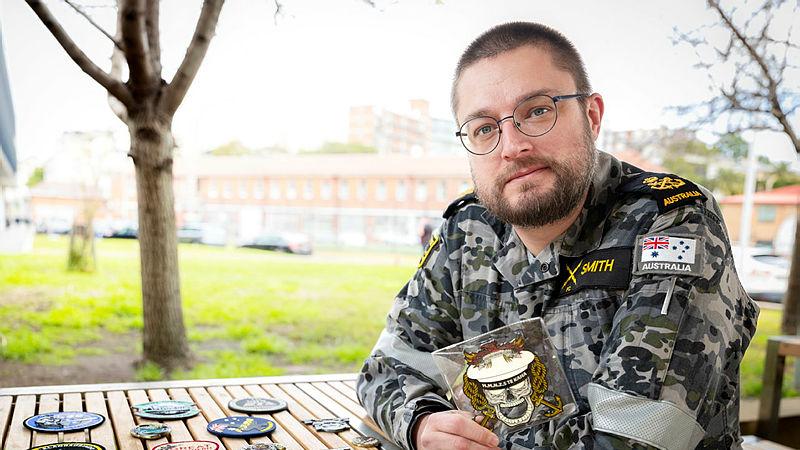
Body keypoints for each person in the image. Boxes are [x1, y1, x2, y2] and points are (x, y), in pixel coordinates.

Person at [356, 22, 759, 450]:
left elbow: (635, 437)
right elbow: (387, 369)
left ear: (591, 116)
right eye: (484, 128)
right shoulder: (467, 229)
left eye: (537, 110)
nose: (511, 146)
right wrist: (423, 424)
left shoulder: (670, 220)